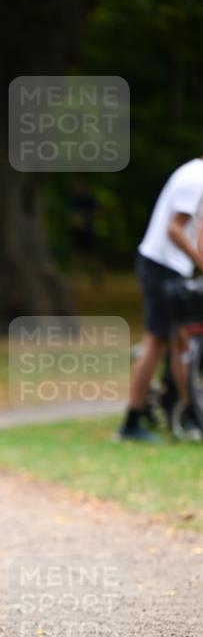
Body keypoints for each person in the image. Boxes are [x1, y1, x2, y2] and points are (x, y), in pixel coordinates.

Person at [118, 155, 203, 441]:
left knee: (180, 343)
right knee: (157, 343)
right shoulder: (196, 178)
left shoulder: (196, 174)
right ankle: (132, 421)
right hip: (162, 267)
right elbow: (175, 228)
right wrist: (200, 262)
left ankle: (190, 415)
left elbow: (197, 228)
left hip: (170, 268)